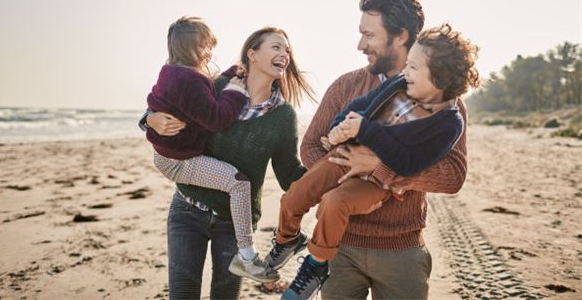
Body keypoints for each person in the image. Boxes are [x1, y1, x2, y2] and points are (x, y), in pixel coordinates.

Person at [266, 23, 480, 300]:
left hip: (400, 248)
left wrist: (376, 165)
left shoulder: (450, 117)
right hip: (342, 244)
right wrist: (342, 139)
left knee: (336, 201)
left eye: (369, 35)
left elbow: (448, 175)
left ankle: (315, 264)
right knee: (294, 196)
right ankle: (287, 243)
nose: (360, 45)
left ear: (400, 36)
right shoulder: (356, 84)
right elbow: (315, 141)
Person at [141, 26, 316, 300]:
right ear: (252, 54)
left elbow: (289, 174)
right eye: (276, 47)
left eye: (288, 50)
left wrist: (328, 177)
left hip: (233, 225)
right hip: (187, 210)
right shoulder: (219, 87)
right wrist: (149, 118)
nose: (285, 54)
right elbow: (171, 100)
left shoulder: (283, 116)